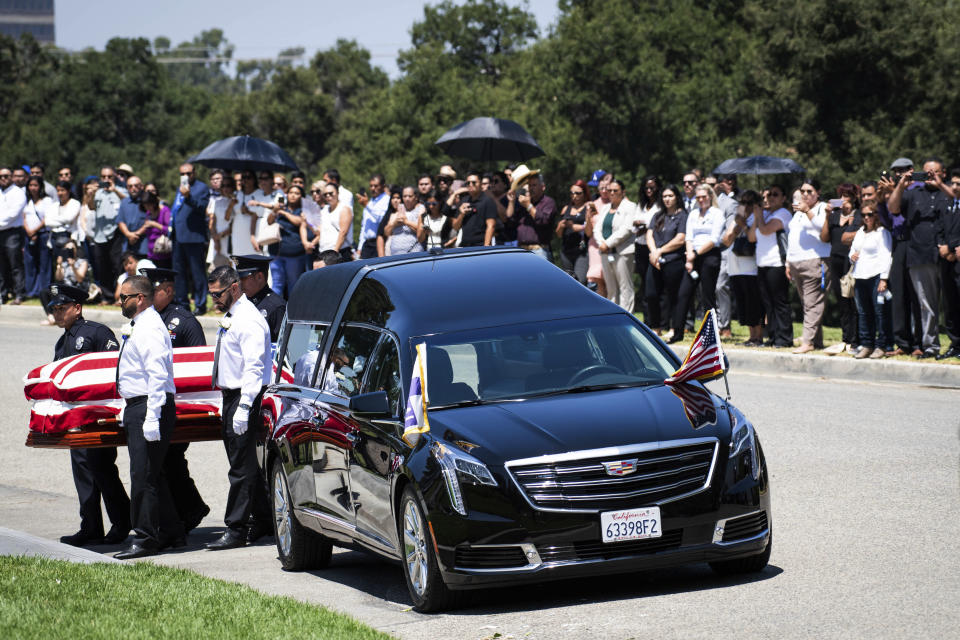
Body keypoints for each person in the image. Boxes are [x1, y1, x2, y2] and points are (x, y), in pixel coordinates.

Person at [47, 283, 130, 547]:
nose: (57, 313)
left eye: (62, 308)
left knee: (103, 470)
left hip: (97, 417)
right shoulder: (63, 342)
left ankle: (122, 521)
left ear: (77, 307)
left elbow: (113, 368)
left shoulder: (96, 332)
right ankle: (91, 526)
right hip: (75, 420)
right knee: (83, 473)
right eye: (55, 309)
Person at [114, 275, 182, 559]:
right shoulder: (141, 325)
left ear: (140, 298)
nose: (120, 302)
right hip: (139, 405)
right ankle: (171, 532)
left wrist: (151, 416)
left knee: (142, 476)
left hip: (149, 407)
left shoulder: (150, 328)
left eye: (124, 297)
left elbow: (157, 374)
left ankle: (145, 538)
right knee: (153, 473)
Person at [206, 266, 273, 550]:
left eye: (218, 294)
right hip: (231, 396)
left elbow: (255, 368)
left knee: (240, 467)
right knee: (244, 464)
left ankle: (236, 528)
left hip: (245, 396)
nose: (214, 301)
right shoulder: (233, 316)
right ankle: (264, 519)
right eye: (211, 295)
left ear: (234, 288)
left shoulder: (249, 320)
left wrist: (245, 406)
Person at [139, 268, 210, 531]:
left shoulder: (185, 322)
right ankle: (189, 510)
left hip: (178, 405)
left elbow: (197, 366)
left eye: (153, 290)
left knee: (170, 459)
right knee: (167, 462)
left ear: (167, 291)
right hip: (155, 402)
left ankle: (187, 512)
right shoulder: (148, 319)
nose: (147, 295)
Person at [886, 156, 953, 358]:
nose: (929, 176)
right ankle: (930, 345)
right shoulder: (913, 193)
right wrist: (901, 185)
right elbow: (893, 208)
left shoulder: (949, 191)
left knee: (953, 303)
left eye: (934, 173)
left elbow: (956, 200)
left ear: (943, 174)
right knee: (926, 304)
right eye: (926, 173)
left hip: (948, 255)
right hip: (920, 255)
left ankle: (955, 345)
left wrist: (940, 185)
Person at [673, 184, 725, 343]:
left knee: (707, 296)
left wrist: (695, 254)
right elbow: (689, 236)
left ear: (710, 196)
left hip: (709, 256)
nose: (701, 200)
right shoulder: (693, 214)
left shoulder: (717, 214)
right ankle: (677, 332)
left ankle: (710, 336)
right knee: (683, 294)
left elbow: (714, 239)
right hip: (692, 256)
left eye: (704, 196)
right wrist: (690, 256)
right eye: (698, 197)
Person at [786, 180, 832, 353]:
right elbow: (792, 236)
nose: (805, 194)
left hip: (816, 261)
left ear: (818, 192)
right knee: (808, 303)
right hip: (797, 262)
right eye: (803, 191)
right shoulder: (798, 211)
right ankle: (816, 340)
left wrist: (808, 212)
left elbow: (823, 228)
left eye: (810, 191)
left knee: (813, 303)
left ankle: (808, 342)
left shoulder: (822, 208)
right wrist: (788, 262)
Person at [820, 183, 863, 354]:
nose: (844, 199)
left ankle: (857, 339)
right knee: (842, 300)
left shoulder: (859, 216)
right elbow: (824, 238)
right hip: (835, 259)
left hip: (851, 261)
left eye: (848, 195)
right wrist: (827, 216)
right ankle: (846, 337)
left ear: (854, 198)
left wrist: (853, 222)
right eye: (842, 195)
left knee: (853, 300)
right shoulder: (834, 215)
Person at [847, 204, 893, 359]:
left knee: (879, 312)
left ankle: (882, 345)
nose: (867, 217)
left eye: (870, 214)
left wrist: (884, 278)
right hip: (860, 276)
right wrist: (851, 256)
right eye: (864, 214)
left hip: (875, 276)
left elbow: (886, 255)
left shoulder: (882, 233)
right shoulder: (860, 232)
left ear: (876, 215)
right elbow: (853, 249)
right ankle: (867, 344)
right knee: (863, 312)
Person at [721, 190, 764, 346]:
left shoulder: (758, 217)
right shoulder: (738, 218)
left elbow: (755, 238)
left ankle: (758, 336)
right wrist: (736, 226)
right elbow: (726, 240)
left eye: (749, 202)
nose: (745, 205)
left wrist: (745, 226)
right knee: (743, 302)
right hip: (736, 266)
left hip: (751, 265)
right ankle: (751, 336)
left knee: (754, 302)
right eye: (742, 202)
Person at [645, 184, 688, 338]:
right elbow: (649, 234)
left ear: (676, 197)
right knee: (651, 294)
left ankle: (672, 327)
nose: (667, 199)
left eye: (670, 196)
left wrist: (659, 251)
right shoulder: (658, 215)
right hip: (655, 260)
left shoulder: (682, 215)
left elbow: (680, 238)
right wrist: (653, 252)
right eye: (664, 196)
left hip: (673, 260)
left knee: (672, 296)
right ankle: (656, 327)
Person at [756, 186, 794, 348]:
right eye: (768, 195)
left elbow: (765, 230)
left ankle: (784, 338)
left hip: (776, 263)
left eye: (775, 194)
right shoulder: (765, 213)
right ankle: (772, 337)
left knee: (779, 303)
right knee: (768, 304)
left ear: (783, 198)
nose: (770, 197)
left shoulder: (783, 214)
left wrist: (758, 214)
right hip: (762, 263)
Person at [171, 163, 210, 314]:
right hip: (178, 237)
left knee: (197, 273)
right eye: (182, 174)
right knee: (179, 273)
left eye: (188, 173)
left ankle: (201, 304)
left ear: (194, 173)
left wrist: (189, 196)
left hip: (194, 237)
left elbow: (202, 208)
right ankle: (182, 304)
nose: (185, 176)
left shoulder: (202, 188)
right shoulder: (180, 188)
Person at [593, 179, 638, 312]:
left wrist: (607, 243)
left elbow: (626, 229)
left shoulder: (630, 206)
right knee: (611, 288)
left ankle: (626, 317)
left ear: (623, 192)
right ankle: (613, 316)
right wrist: (601, 243)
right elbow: (597, 229)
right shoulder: (606, 208)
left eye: (615, 190)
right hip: (605, 252)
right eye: (610, 190)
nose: (611, 193)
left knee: (625, 287)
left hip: (623, 252)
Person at [90, 166, 128, 304]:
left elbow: (128, 202)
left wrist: (115, 190)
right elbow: (90, 206)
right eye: (103, 177)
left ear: (115, 177)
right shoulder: (98, 192)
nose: (106, 180)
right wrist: (91, 194)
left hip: (115, 233)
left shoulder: (121, 190)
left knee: (117, 265)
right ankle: (107, 296)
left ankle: (119, 296)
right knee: (102, 266)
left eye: (109, 177)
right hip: (99, 234)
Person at [265, 185, 307, 297]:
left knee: (293, 285)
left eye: (297, 193)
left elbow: (299, 222)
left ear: (301, 196)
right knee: (277, 284)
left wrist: (283, 213)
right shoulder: (281, 206)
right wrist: (275, 211)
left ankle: (291, 312)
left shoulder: (303, 210)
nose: (293, 195)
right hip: (276, 253)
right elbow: (269, 221)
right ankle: (275, 311)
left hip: (294, 254)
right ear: (286, 195)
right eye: (291, 192)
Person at [233, 254, 286, 343]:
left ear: (259, 277)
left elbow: (281, 346)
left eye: (243, 278)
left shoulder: (277, 307)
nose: (239, 283)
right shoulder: (239, 303)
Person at [513, 166, 557, 260]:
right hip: (521, 249)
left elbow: (543, 221)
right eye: (529, 185)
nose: (531, 188)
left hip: (539, 250)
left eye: (534, 185)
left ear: (543, 187)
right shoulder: (524, 203)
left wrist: (529, 206)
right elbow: (511, 220)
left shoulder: (548, 202)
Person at [22, 175, 54, 299]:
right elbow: (24, 217)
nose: (33, 188)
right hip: (29, 235)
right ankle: (32, 291)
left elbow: (47, 218)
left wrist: (35, 230)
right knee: (30, 264)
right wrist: (28, 231)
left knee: (44, 264)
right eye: (30, 185)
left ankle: (44, 291)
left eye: (35, 185)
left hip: (42, 235)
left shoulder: (47, 201)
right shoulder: (27, 201)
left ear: (40, 187)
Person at [634, 175, 661, 316]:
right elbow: (633, 226)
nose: (649, 190)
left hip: (654, 247)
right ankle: (647, 318)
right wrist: (638, 224)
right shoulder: (641, 205)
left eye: (652, 187)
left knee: (654, 284)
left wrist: (646, 226)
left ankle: (659, 317)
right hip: (640, 246)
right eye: (646, 188)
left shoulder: (660, 205)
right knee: (644, 284)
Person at [2, 167, 29, 305]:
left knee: (15, 264)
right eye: (1, 176)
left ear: (11, 177)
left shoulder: (18, 193)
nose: (3, 178)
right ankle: (3, 293)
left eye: (6, 176)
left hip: (12, 232)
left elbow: (13, 214)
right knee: (1, 266)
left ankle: (19, 293)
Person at [555, 180, 590, 283]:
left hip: (582, 250)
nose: (574, 196)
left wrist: (574, 226)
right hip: (566, 250)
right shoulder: (566, 208)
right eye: (572, 193)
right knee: (568, 281)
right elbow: (559, 234)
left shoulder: (588, 207)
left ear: (584, 194)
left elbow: (590, 228)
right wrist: (561, 226)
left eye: (578, 193)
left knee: (580, 281)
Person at [317, 180, 354, 262]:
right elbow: (320, 231)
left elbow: (343, 232)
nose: (328, 196)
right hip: (324, 252)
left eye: (331, 193)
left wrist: (334, 252)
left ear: (337, 193)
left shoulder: (344, 209)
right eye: (325, 194)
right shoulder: (324, 210)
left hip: (339, 252)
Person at [47, 180, 82, 263]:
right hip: (54, 237)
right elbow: (47, 221)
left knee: (69, 263)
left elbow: (69, 218)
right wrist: (63, 221)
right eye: (58, 191)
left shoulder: (75, 203)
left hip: (68, 236)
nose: (60, 193)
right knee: (58, 265)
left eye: (62, 190)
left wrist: (55, 219)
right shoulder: (54, 205)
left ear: (68, 191)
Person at [356, 173, 388, 259]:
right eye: (371, 186)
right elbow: (364, 227)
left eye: (376, 186)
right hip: (367, 244)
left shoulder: (387, 200)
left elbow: (382, 219)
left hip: (380, 243)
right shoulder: (369, 202)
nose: (373, 188)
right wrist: (359, 247)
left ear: (383, 186)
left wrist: (367, 205)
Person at [138, 190, 173, 269]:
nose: (147, 208)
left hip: (164, 253)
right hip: (152, 254)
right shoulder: (148, 213)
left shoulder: (165, 211)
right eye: (145, 206)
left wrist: (154, 224)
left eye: (149, 205)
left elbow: (169, 230)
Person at [207, 170, 234, 270]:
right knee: (218, 271)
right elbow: (212, 222)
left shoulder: (235, 201)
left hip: (231, 238)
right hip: (217, 238)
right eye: (224, 186)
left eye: (228, 185)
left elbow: (234, 223)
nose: (226, 188)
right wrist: (216, 239)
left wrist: (221, 235)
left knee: (232, 268)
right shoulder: (215, 201)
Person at [386, 186, 425, 254]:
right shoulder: (399, 209)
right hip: (395, 254)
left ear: (416, 197)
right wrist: (394, 224)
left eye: (410, 196)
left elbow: (421, 230)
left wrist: (406, 222)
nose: (407, 199)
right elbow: (386, 232)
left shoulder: (420, 209)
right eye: (405, 196)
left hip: (413, 252)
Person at [231, 170, 261, 257]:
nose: (246, 180)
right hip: (237, 230)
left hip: (254, 231)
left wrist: (248, 212)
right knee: (238, 258)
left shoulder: (260, 193)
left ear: (254, 179)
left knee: (254, 257)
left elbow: (262, 214)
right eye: (243, 178)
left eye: (249, 177)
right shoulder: (236, 194)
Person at [116, 175, 147, 255]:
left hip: (144, 245)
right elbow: (120, 221)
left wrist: (135, 235)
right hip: (127, 246)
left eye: (136, 186)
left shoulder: (146, 201)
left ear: (141, 187)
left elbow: (150, 220)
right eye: (130, 186)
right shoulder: (124, 202)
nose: (133, 188)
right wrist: (128, 235)